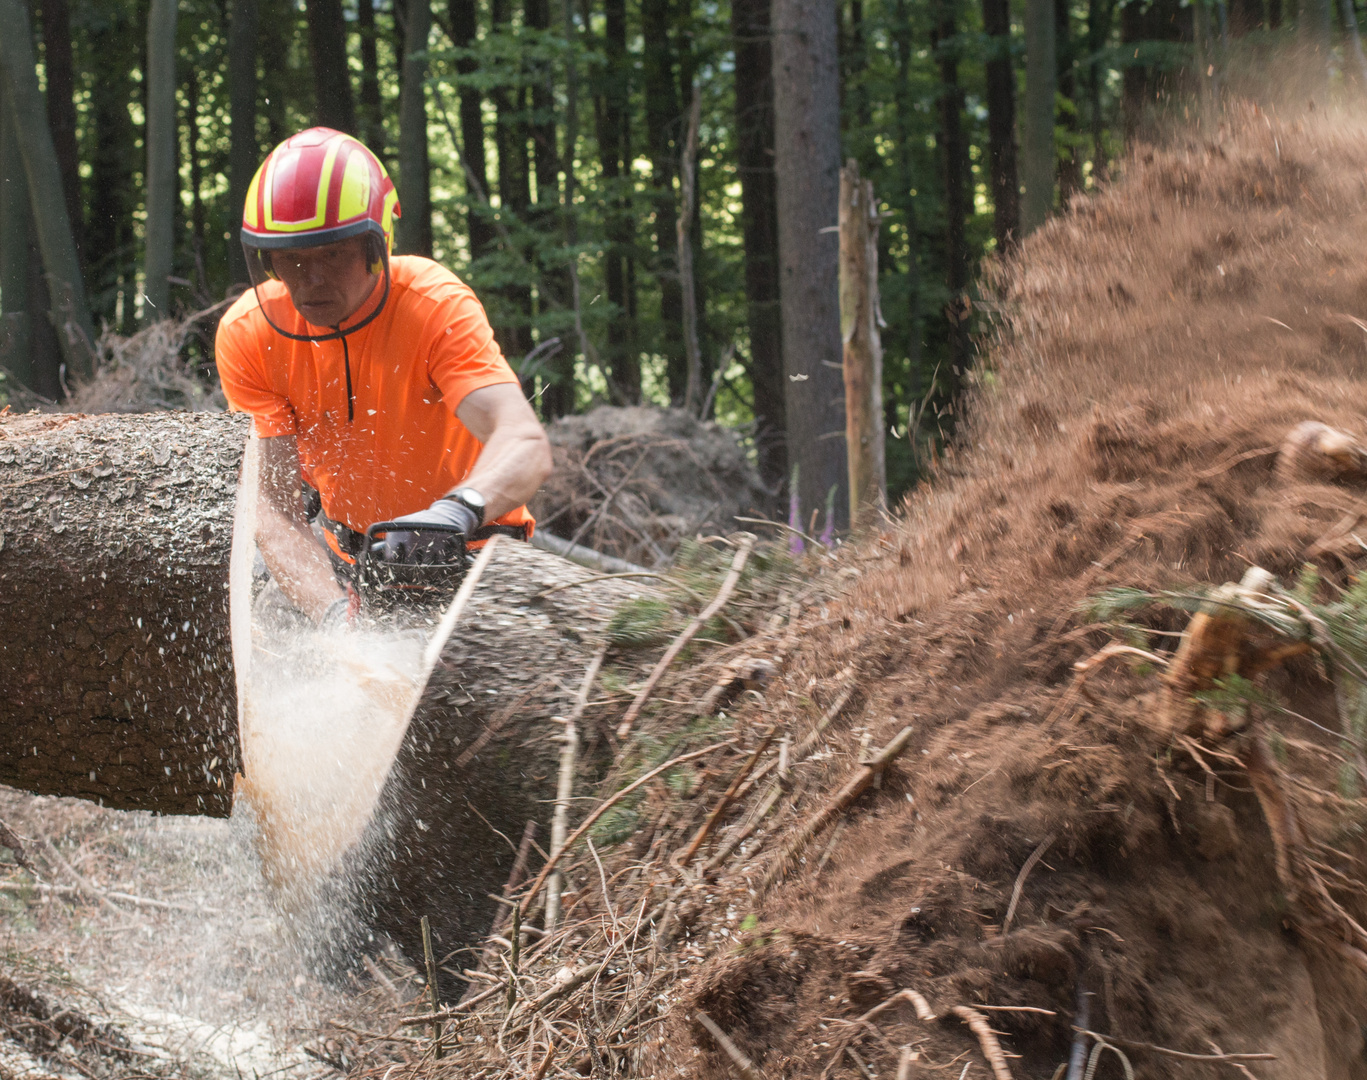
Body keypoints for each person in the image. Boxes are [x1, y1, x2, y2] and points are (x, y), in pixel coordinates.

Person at [215, 127, 552, 627]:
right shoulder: (250, 335)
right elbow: (274, 506)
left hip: (476, 555)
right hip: (349, 562)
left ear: (376, 245)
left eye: (331, 254)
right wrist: (332, 616)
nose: (310, 280)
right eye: (291, 259)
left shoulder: (433, 307)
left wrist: (456, 513)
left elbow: (524, 442)